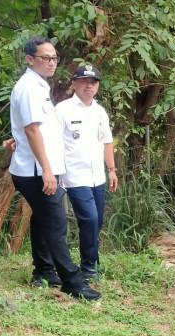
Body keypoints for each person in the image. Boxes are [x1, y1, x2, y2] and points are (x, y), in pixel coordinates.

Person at [8, 36, 100, 300]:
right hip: (35, 172)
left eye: (54, 58)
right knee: (57, 224)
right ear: (29, 59)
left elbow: (34, 129)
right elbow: (32, 129)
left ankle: (44, 271)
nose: (51, 62)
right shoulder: (28, 87)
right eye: (45, 58)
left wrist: (19, 140)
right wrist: (48, 171)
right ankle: (73, 282)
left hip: (37, 168)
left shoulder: (38, 86)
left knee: (42, 219)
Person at [56, 65, 118, 281]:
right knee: (89, 219)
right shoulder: (63, 110)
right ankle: (89, 267)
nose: (88, 85)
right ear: (73, 84)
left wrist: (111, 170)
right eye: (83, 81)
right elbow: (51, 141)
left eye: (93, 82)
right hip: (74, 176)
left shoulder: (100, 112)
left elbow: (107, 142)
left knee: (97, 220)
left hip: (97, 176)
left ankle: (91, 262)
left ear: (98, 86)